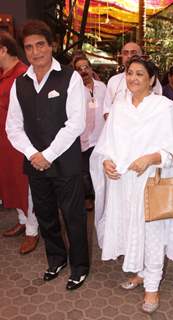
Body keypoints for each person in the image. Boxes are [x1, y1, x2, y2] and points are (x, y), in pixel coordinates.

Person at [90, 55, 173, 314]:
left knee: (153, 235)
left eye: (140, 74)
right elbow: (106, 144)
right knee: (131, 230)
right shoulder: (120, 107)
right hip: (124, 184)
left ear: (152, 79)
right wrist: (106, 162)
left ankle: (153, 286)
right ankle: (141, 272)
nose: (133, 78)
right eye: (130, 73)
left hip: (153, 182)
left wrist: (150, 158)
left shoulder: (164, 107)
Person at [6, 20, 89, 290]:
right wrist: (33, 154)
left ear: (51, 45)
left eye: (40, 44)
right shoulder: (20, 83)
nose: (35, 52)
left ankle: (80, 266)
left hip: (65, 163)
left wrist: (49, 154)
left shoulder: (70, 77)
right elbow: (13, 127)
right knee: (46, 216)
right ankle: (56, 259)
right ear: (24, 51)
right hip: (35, 164)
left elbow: (76, 123)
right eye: (29, 47)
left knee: (73, 217)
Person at [0, 31, 39, 254]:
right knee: (11, 182)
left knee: (25, 185)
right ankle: (22, 219)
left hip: (19, 140)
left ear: (3, 49)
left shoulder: (23, 74)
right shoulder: (5, 73)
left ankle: (32, 230)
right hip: (5, 140)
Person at [72, 53, 106, 211]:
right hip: (83, 137)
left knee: (100, 169)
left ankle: (101, 196)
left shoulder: (102, 87)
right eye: (79, 69)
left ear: (91, 69)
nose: (83, 71)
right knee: (85, 172)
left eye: (86, 67)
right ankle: (88, 197)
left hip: (101, 136)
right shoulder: (74, 90)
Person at [103, 42, 162, 119]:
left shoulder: (151, 80)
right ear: (122, 56)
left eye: (133, 53)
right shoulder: (113, 81)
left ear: (141, 56)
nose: (129, 56)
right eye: (125, 53)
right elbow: (106, 110)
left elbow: (157, 107)